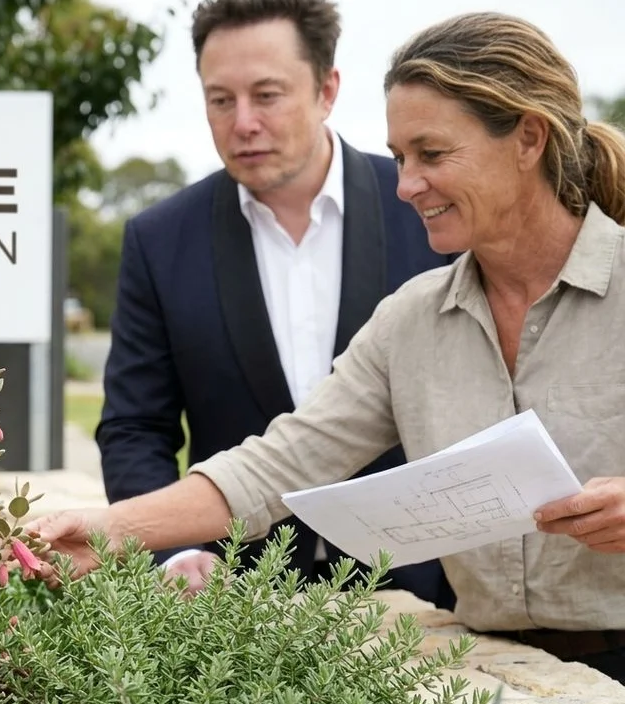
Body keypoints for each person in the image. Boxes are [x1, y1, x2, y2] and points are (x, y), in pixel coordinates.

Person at [32, 10, 625, 685]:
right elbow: (276, 465)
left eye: (431, 155)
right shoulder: (412, 319)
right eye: (400, 158)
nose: (406, 186)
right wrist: (109, 530)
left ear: (528, 138)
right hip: (492, 680)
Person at [95, 0, 454, 606]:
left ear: (327, 89)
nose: (243, 123)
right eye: (220, 100)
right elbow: (135, 427)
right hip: (233, 604)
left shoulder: (428, 211)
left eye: (267, 95)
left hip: (421, 591)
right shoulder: (158, 240)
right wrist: (175, 553)